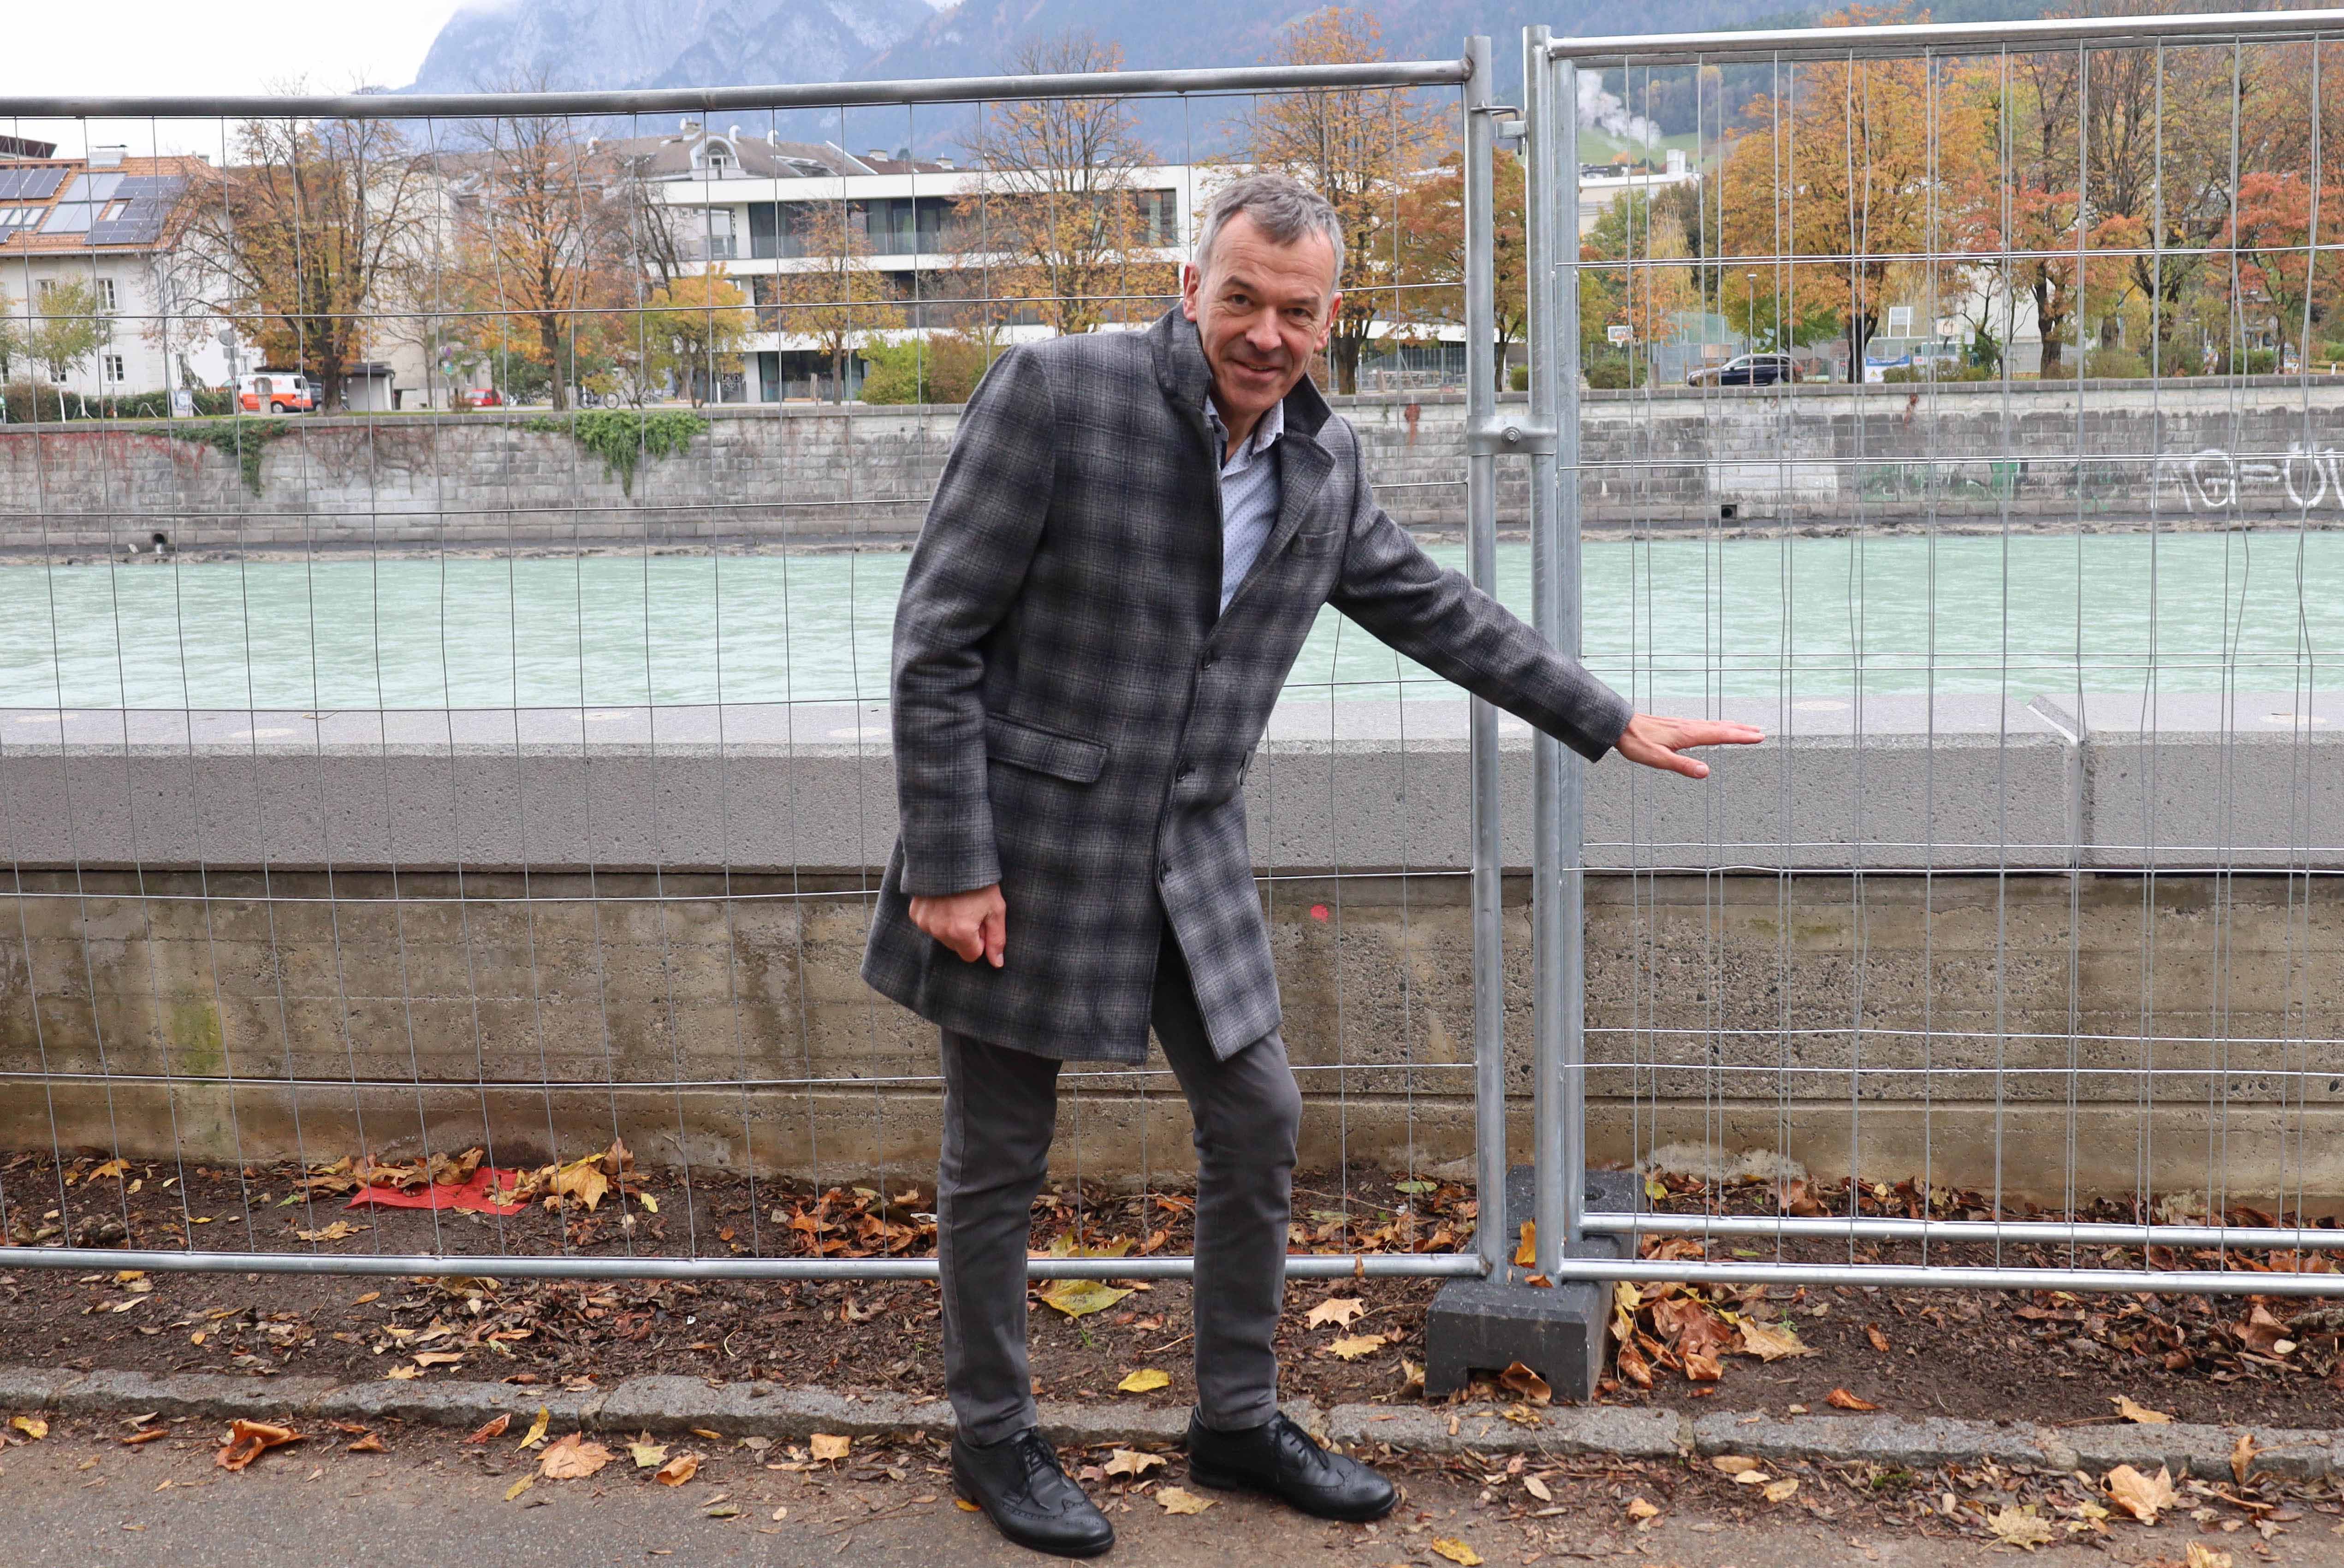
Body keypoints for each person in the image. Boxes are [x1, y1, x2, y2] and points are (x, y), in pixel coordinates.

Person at [862, 171, 1762, 1559]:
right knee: (998, 1158)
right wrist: (950, 861)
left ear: (1329, 318)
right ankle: (991, 1439)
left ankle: (1231, 1418)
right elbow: (935, 643)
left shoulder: (1319, 465)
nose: (1264, 333)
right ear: (1190, 290)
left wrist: (1604, 715)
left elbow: (1432, 609)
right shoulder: (1056, 395)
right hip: (1022, 850)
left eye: (1295, 311)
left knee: (1258, 1117)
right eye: (1240, 300)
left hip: (1189, 854)